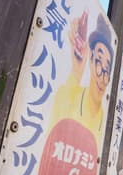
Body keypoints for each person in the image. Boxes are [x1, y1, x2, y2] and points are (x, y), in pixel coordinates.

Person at [49, 12, 114, 144]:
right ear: (90, 59)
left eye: (107, 69)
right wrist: (76, 72)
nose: (102, 77)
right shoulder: (68, 94)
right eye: (99, 62)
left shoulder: (107, 120)